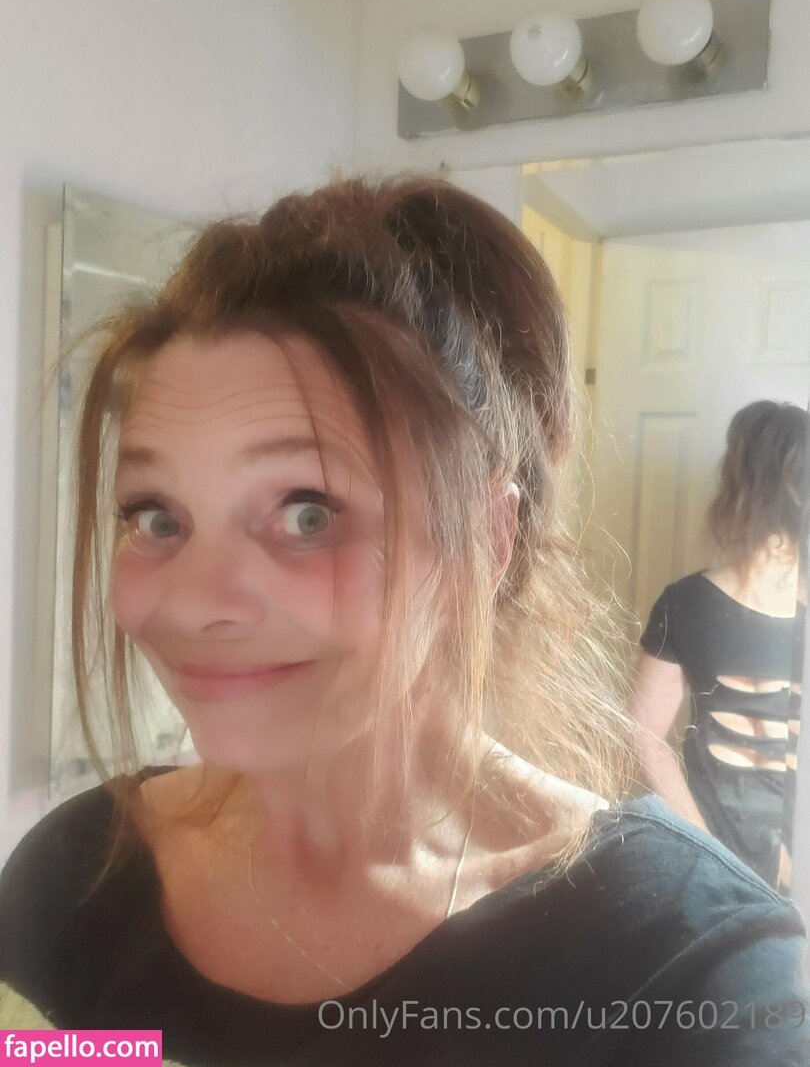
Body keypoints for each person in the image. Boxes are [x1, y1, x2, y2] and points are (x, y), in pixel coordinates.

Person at [1, 176, 808, 1067]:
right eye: (156, 517)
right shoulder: (76, 876)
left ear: (487, 539)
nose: (192, 601)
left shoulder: (692, 972)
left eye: (307, 512)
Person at [633, 400, 808, 893]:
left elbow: (643, 734)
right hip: (706, 862)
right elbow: (642, 734)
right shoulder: (685, 605)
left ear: (737, 484)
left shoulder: (684, 602)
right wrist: (705, 846)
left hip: (723, 865)